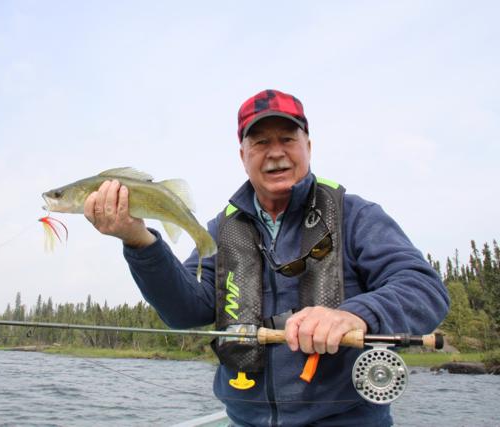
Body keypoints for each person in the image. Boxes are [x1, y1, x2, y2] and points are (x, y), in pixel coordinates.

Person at [83, 89, 450, 426]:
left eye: (287, 139)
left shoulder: (355, 215)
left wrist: (352, 315)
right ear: (243, 156)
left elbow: (424, 288)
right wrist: (138, 241)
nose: (276, 152)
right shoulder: (220, 230)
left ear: (308, 145)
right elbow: (184, 310)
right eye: (260, 142)